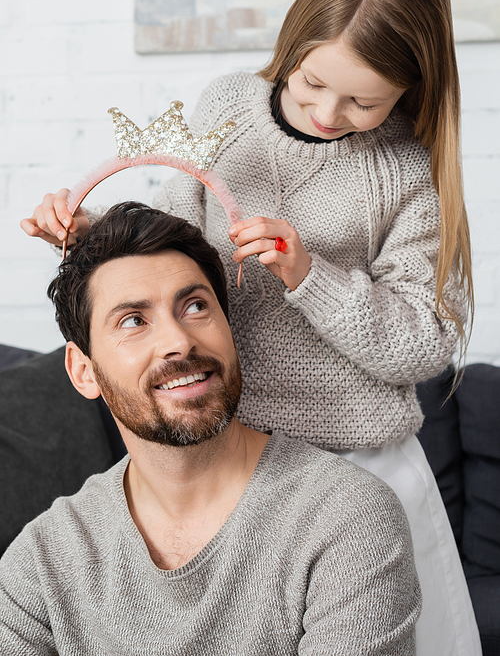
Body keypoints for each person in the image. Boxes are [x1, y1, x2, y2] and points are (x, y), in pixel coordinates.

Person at [20, 0, 480, 654]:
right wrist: (92, 229)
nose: (327, 113)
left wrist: (310, 277)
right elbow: (176, 231)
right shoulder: (230, 104)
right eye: (309, 82)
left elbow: (423, 341)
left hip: (358, 464)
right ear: (292, 42)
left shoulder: (404, 169)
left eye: (363, 100)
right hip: (236, 458)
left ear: (410, 88)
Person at [0, 202, 421, 655]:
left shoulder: (347, 518)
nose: (179, 341)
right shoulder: (42, 560)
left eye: (195, 306)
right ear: (83, 371)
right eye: (133, 321)